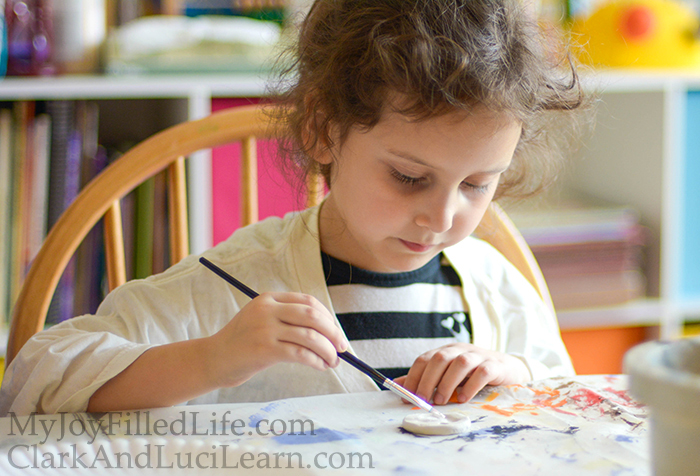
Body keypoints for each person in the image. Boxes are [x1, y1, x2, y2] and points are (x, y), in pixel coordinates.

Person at [0, 0, 585, 416]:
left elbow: (577, 410)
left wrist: (519, 379)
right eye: (409, 177)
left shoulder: (494, 287)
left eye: (479, 184)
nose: (442, 216)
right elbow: (35, 379)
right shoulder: (240, 286)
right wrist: (211, 359)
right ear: (323, 132)